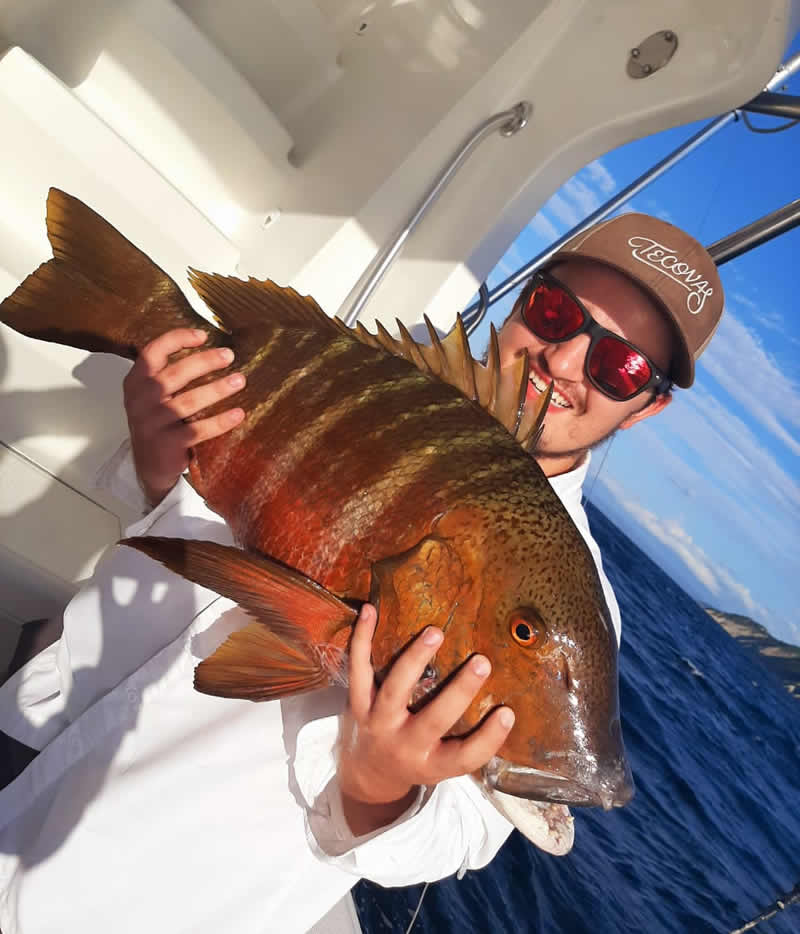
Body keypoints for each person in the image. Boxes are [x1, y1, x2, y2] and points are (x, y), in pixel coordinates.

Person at [0, 213, 723, 933]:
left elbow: (460, 836)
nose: (563, 362)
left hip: (124, 885)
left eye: (619, 366)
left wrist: (377, 785)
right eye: (557, 313)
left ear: (646, 406)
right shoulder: (386, 390)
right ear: (527, 296)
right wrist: (160, 460)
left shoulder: (578, 596)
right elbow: (200, 523)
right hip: (46, 700)